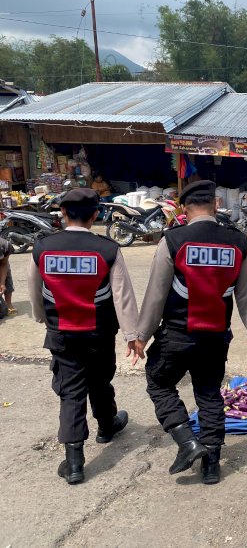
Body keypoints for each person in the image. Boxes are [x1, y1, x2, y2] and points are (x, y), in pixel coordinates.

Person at [132, 181, 247, 484]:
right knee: (208, 394)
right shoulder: (236, 241)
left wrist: (141, 334)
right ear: (216, 205)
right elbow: (246, 294)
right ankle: (212, 465)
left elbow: (156, 294)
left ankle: (187, 443)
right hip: (216, 336)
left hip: (177, 334)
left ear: (183, 208)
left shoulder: (173, 240)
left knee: (159, 381)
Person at [27, 188, 139, 484]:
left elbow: (35, 290)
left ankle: (74, 462)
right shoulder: (107, 249)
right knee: (101, 378)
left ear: (62, 213)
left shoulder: (43, 248)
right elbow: (123, 297)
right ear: (95, 215)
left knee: (71, 390)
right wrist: (132, 335)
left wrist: (42, 317)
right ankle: (106, 425)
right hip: (99, 333)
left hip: (62, 334)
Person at [0, 237, 15, 315]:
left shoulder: (5, 245)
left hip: (2, 263)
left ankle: (8, 303)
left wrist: (2, 283)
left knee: (7, 278)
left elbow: (4, 264)